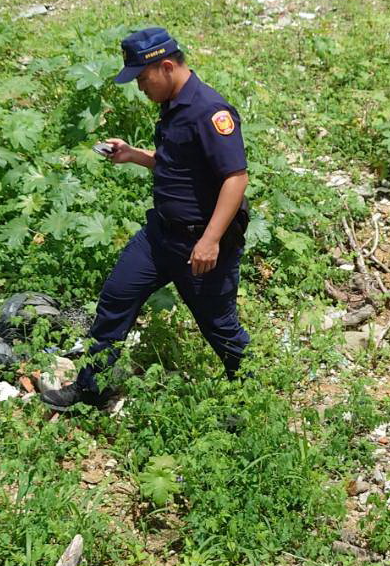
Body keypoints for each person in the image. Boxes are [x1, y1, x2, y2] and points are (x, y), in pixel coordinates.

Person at [41, 28, 250, 411]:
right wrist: (133, 155)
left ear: (166, 66)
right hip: (160, 236)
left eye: (142, 78)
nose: (139, 87)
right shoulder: (173, 106)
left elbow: (235, 178)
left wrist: (210, 240)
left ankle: (251, 397)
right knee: (115, 299)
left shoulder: (210, 111)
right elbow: (178, 166)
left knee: (220, 329)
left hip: (201, 247)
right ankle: (91, 389)